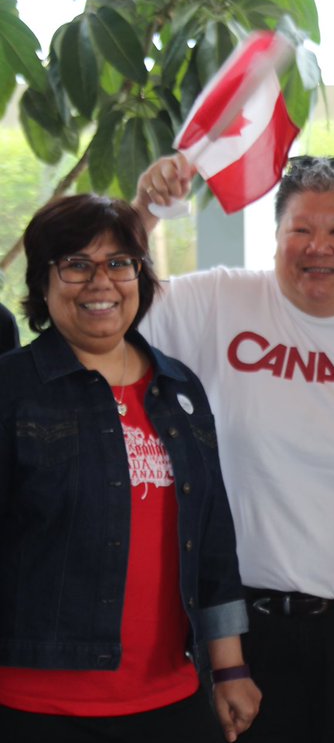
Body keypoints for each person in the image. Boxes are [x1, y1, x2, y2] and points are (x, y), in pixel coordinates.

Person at [131, 155, 334, 743]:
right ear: (275, 241)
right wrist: (144, 213)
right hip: (246, 629)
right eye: (300, 230)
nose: (318, 246)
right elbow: (112, 300)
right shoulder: (221, 301)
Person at [0, 194, 259, 742]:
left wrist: (230, 667)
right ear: (42, 283)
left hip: (171, 699)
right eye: (76, 264)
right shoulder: (12, 390)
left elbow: (212, 537)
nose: (101, 282)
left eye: (119, 263)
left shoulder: (179, 388)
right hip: (34, 705)